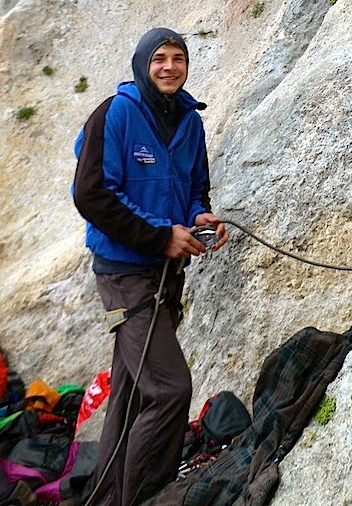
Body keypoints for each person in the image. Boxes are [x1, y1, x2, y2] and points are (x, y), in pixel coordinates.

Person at [73, 27, 228, 506]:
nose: (169, 67)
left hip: (165, 275)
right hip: (124, 275)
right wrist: (161, 237)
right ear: (142, 64)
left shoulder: (188, 120)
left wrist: (199, 216)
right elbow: (91, 195)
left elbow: (195, 187)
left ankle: (103, 498)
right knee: (169, 390)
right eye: (159, 58)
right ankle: (145, 498)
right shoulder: (115, 113)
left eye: (178, 58)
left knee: (132, 395)